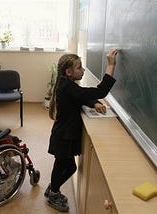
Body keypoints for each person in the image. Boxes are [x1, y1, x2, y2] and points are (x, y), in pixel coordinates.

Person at [44, 49, 119, 212]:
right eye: (79, 68)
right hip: (64, 136)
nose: (83, 70)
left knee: (69, 167)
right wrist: (111, 65)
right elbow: (100, 91)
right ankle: (54, 193)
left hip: (65, 134)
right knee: (62, 166)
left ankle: (52, 189)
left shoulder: (67, 84)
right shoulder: (68, 87)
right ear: (68, 72)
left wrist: (94, 103)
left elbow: (81, 97)